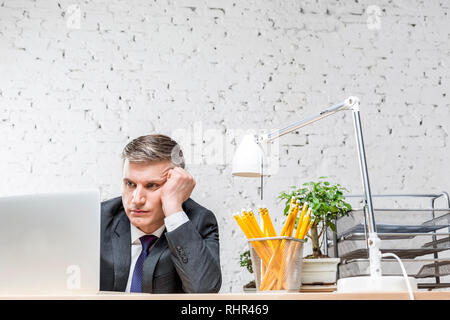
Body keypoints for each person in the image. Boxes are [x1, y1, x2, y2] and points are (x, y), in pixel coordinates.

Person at [100, 134, 222, 293]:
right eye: (130, 184)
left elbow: (205, 292)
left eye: (151, 185)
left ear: (175, 185)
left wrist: (173, 209)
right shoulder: (99, 219)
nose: (136, 199)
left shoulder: (199, 222)